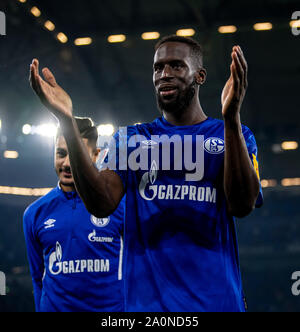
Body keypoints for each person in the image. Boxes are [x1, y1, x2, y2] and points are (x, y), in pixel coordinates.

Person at [29, 35, 263, 312]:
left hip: (217, 304)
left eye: (176, 66)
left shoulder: (231, 136)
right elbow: (101, 203)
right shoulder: (130, 140)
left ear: (200, 76)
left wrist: (231, 117)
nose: (164, 74)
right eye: (158, 67)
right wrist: (67, 121)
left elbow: (242, 204)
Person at [23, 117, 125, 312]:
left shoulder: (120, 205)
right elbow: (38, 279)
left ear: (96, 156)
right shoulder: (34, 213)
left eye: (77, 156)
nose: (68, 163)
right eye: (61, 154)